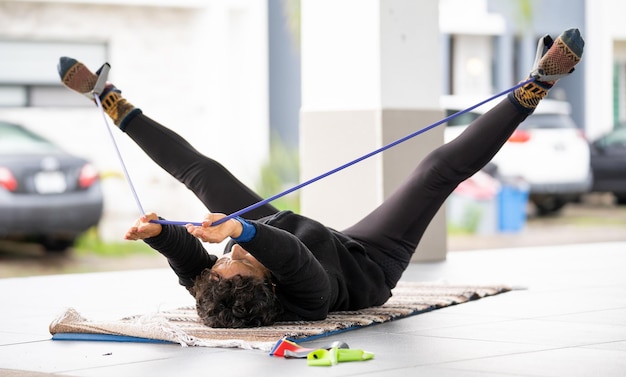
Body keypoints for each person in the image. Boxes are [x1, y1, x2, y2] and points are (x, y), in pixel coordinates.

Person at [58, 29, 583, 328]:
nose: (226, 259)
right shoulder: (306, 298)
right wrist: (240, 234)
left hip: (301, 234)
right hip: (370, 260)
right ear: (267, 284)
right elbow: (294, 257)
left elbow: (190, 261)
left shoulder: (219, 284)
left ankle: (112, 101)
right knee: (433, 171)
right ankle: (536, 86)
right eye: (238, 263)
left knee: (204, 174)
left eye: (222, 264)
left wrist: (159, 236)